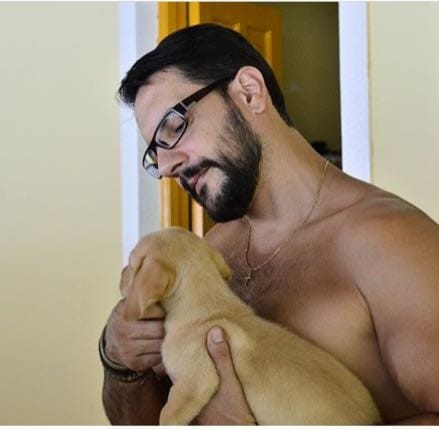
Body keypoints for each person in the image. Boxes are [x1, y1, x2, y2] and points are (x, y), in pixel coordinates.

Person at [99, 23, 439, 424]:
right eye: (156, 154)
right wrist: (118, 360)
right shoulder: (211, 252)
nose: (169, 166)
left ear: (249, 91)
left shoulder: (391, 242)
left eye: (175, 127)